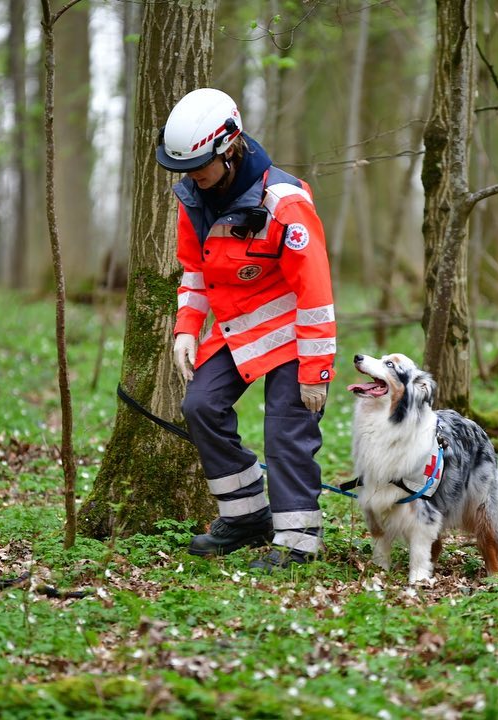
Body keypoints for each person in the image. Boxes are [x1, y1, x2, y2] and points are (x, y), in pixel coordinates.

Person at [155, 88, 337, 571]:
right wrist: (187, 328)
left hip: (294, 337)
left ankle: (298, 540)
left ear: (230, 147)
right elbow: (194, 270)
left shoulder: (285, 204)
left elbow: (316, 295)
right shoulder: (192, 197)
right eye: (183, 169)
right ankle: (247, 517)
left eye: (200, 165)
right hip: (236, 330)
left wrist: (314, 371)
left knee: (285, 431)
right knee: (200, 405)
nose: (192, 177)